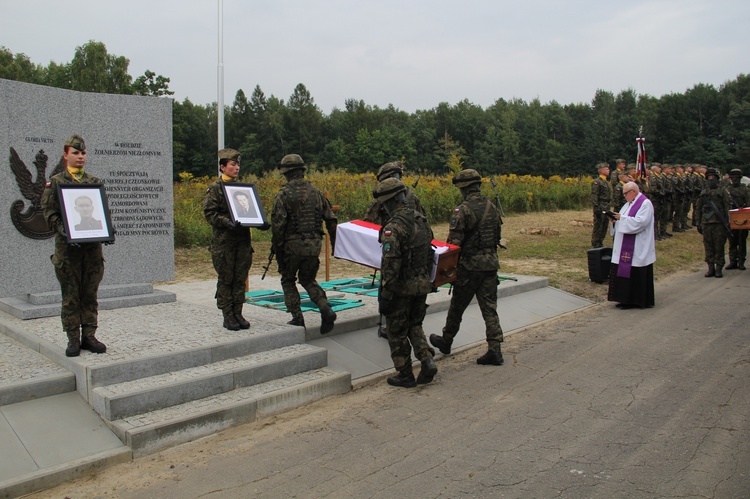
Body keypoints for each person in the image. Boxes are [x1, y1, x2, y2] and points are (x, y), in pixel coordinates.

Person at [41, 134, 109, 357]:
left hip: (91, 250)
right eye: (75, 153)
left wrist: (107, 228)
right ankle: (73, 337)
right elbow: (49, 212)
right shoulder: (56, 182)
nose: (80, 157)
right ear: (65, 155)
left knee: (90, 292)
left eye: (83, 153)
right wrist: (63, 228)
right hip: (68, 250)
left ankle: (89, 335)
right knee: (71, 294)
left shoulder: (93, 182)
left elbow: (102, 211)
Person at [430, 169, 505, 366]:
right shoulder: (491, 206)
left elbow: (453, 245)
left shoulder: (462, 210)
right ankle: (495, 348)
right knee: (490, 308)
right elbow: (497, 237)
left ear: (463, 188)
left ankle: (446, 341)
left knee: (457, 306)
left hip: (469, 267)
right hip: (490, 264)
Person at [373, 177, 438, 387]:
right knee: (415, 324)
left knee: (396, 331)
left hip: (402, 288)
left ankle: (405, 373)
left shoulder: (393, 228)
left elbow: (391, 266)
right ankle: (427, 360)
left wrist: (386, 294)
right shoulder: (422, 220)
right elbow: (430, 252)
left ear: (390, 202)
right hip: (421, 283)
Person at [271, 154, 338, 333]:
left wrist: (277, 250)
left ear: (286, 173)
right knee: (308, 279)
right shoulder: (317, 193)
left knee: (288, 279)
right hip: (314, 245)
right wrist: (334, 243)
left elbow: (278, 226)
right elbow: (331, 220)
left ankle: (297, 317)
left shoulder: (283, 195)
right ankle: (325, 308)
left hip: (292, 247)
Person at [203, 148, 268, 331]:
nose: (237, 167)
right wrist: (227, 222)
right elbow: (210, 214)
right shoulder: (216, 189)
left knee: (240, 278)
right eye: (233, 164)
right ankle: (227, 314)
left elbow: (250, 212)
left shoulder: (242, 189)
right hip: (224, 242)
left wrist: (261, 223)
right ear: (223, 167)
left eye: (238, 164)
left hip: (242, 241)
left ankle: (238, 312)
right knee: (226, 278)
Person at [607, 182, 656, 309]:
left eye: (625, 193)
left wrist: (621, 218)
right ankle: (623, 299)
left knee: (634, 271)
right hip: (624, 244)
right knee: (622, 270)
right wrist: (614, 220)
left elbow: (640, 222)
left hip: (638, 245)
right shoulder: (628, 204)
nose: (624, 196)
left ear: (633, 191)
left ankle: (634, 300)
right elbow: (623, 219)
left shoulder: (645, 204)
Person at [695, 168, 732, 278]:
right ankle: (711, 267)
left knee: (719, 246)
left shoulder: (723, 191)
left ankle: (719, 267)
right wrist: (698, 222)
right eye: (709, 178)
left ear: (717, 179)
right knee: (708, 246)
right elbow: (698, 208)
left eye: (713, 178)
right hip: (706, 223)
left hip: (719, 223)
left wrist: (728, 221)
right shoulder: (704, 193)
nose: (711, 180)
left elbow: (727, 207)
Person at [725, 168, 750, 270]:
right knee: (732, 240)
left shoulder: (745, 190)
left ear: (740, 178)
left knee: (742, 240)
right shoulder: (727, 189)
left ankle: (741, 261)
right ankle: (732, 261)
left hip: (743, 217)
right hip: (731, 217)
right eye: (732, 178)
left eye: (736, 178)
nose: (734, 180)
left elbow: (749, 204)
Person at [591, 163, 612, 248]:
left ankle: (600, 242)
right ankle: (596, 243)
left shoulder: (606, 182)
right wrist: (596, 207)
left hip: (606, 205)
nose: (608, 170)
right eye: (606, 169)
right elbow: (594, 195)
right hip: (600, 205)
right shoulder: (597, 182)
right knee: (598, 225)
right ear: (601, 170)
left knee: (604, 225)